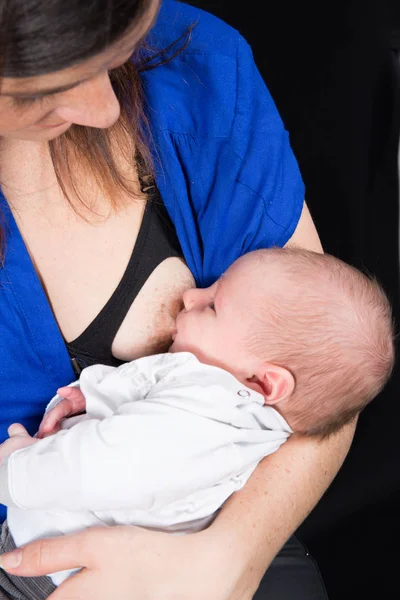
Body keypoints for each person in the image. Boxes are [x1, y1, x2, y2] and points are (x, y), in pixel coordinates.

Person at [0, 0, 360, 598]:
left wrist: (226, 557)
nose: (106, 108)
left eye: (114, 54)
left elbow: (324, 381)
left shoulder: (198, 61)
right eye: (50, 85)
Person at [0, 247, 394, 600]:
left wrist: (15, 469)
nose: (191, 296)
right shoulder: (222, 407)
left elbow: (98, 466)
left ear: (263, 381)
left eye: (213, 306)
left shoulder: (206, 423)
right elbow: (155, 394)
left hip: (49, 578)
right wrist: (98, 395)